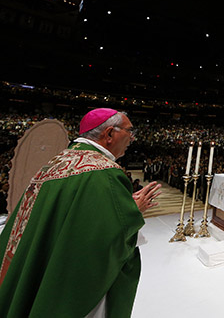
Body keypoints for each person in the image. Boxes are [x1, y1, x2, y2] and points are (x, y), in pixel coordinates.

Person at [0, 108, 161, 317]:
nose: (132, 138)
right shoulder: (106, 172)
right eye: (129, 131)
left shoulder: (57, 161)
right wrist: (133, 212)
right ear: (110, 134)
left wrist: (118, 206)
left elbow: (74, 211)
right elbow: (104, 238)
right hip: (72, 282)